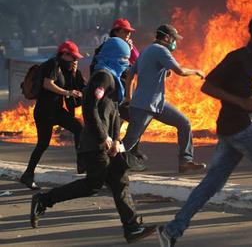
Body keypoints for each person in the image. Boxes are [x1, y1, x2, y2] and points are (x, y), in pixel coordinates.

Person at [156, 14, 252, 247]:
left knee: (212, 183)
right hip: (242, 126)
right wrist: (240, 103)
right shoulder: (238, 58)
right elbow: (208, 86)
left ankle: (171, 230)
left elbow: (250, 93)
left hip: (233, 129)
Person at [29, 37, 156, 243]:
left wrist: (116, 139)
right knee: (92, 185)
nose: (126, 63)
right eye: (123, 58)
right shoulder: (102, 77)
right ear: (114, 57)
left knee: (120, 179)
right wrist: (104, 136)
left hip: (106, 143)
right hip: (94, 144)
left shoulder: (114, 79)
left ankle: (132, 228)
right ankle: (44, 200)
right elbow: (90, 107)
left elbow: (114, 113)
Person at [121, 24, 206, 173]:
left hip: (157, 104)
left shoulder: (146, 50)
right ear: (166, 38)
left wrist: (129, 98)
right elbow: (180, 71)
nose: (175, 43)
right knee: (129, 141)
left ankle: (185, 161)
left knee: (184, 123)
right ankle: (105, 166)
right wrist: (195, 71)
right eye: (174, 39)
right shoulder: (161, 50)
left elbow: (130, 75)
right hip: (144, 105)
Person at [20, 40, 85, 190]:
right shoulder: (52, 64)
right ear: (64, 54)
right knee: (43, 145)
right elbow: (47, 83)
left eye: (76, 58)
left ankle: (82, 163)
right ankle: (28, 175)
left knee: (78, 127)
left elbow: (72, 86)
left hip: (56, 111)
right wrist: (66, 93)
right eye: (73, 57)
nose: (75, 60)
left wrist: (74, 73)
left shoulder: (65, 68)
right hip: (44, 112)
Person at [90, 18, 147, 165]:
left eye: (129, 32)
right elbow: (95, 70)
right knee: (123, 123)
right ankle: (119, 155)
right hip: (111, 94)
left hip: (124, 94)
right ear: (115, 31)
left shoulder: (129, 47)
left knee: (132, 121)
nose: (128, 34)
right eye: (125, 31)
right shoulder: (105, 49)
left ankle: (127, 153)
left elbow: (138, 65)